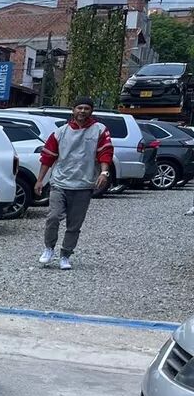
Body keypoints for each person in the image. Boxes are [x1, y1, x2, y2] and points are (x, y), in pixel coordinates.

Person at [34, 96, 113, 271]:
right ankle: (49, 248)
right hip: (60, 182)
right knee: (53, 217)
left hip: (83, 185)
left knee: (74, 224)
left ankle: (65, 255)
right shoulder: (60, 132)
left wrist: (104, 172)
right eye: (79, 108)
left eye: (86, 108)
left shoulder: (100, 130)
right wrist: (40, 180)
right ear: (73, 110)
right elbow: (48, 157)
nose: (82, 111)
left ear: (91, 111)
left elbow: (105, 153)